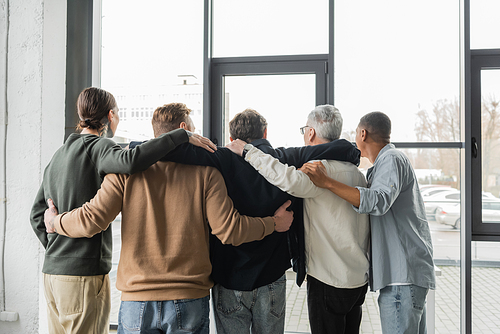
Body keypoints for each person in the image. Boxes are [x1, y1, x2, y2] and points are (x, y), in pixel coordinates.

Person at [43, 102, 294, 334]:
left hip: (136, 300)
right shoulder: (206, 173)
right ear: (184, 129)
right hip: (189, 297)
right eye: (195, 130)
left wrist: (55, 222)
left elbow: (92, 219)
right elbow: (229, 230)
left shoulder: (125, 173)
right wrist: (273, 223)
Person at [130, 108, 361, 334]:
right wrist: (353, 152)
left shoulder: (220, 158)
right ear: (266, 133)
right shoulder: (283, 159)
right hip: (271, 276)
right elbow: (332, 149)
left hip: (230, 277)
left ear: (232, 138)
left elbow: (170, 152)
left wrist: (133, 148)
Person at [30, 89, 215, 334]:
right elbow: (131, 162)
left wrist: (58, 248)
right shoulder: (100, 147)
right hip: (83, 275)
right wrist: (180, 137)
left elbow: (37, 216)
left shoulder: (58, 155)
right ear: (111, 115)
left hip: (52, 273)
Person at [227, 105, 370, 334]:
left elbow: (285, 178)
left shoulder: (319, 172)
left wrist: (248, 151)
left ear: (311, 133)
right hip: (358, 279)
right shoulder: (358, 175)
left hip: (329, 280)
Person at [300, 111, 436, 334]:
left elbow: (378, 200)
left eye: (355, 134)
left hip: (401, 279)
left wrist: (327, 182)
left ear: (362, 133)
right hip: (402, 278)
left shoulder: (392, 159)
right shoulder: (383, 165)